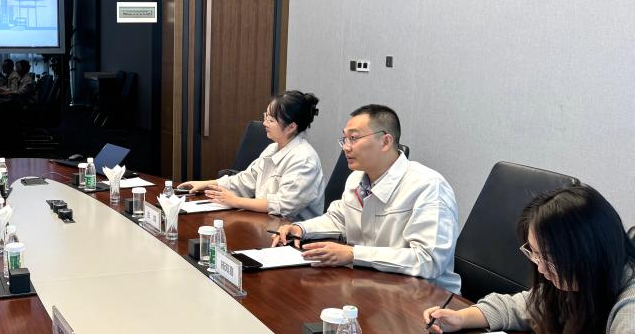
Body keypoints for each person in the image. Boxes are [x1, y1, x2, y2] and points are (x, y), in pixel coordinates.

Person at [424, 186, 635, 334]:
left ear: (587, 253)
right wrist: (461, 318)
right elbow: (523, 306)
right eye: (535, 254)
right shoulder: (580, 280)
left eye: (549, 258)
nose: (541, 268)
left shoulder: (629, 303)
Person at [273, 104, 460, 292]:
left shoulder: (428, 186)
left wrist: (354, 254)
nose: (345, 147)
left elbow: (428, 261)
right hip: (373, 284)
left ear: (385, 142)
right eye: (345, 139)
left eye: (353, 138)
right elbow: (339, 219)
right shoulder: (356, 178)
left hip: (427, 296)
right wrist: (301, 228)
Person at [178, 90, 325, 220]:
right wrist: (206, 184)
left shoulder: (304, 160)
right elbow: (246, 180)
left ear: (291, 127)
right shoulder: (272, 149)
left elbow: (283, 206)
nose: (264, 123)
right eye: (265, 116)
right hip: (264, 222)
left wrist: (235, 201)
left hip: (292, 233)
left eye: (271, 120)